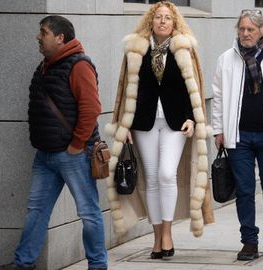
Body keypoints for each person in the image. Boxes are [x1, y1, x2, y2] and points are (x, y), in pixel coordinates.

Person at [0, 16, 107, 270]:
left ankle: (98, 266)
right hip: (45, 156)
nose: (38, 37)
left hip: (74, 154)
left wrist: (77, 145)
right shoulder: (46, 65)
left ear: (60, 38)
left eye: (43, 32)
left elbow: (91, 109)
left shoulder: (79, 66)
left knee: (88, 213)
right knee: (37, 211)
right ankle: (23, 264)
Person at [104, 0, 213, 260]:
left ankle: (168, 233)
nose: (163, 21)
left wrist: (192, 118)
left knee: (166, 175)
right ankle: (157, 237)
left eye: (167, 17)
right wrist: (123, 123)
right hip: (144, 123)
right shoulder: (136, 50)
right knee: (152, 178)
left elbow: (193, 86)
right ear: (150, 21)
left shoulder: (184, 49)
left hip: (176, 122)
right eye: (158, 17)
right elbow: (124, 89)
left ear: (174, 22)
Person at [212, 9, 263, 261]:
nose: (245, 34)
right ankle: (249, 240)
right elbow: (218, 96)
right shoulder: (226, 59)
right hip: (239, 137)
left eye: (251, 29)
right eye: (242, 29)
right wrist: (218, 129)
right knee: (245, 190)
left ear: (262, 31)